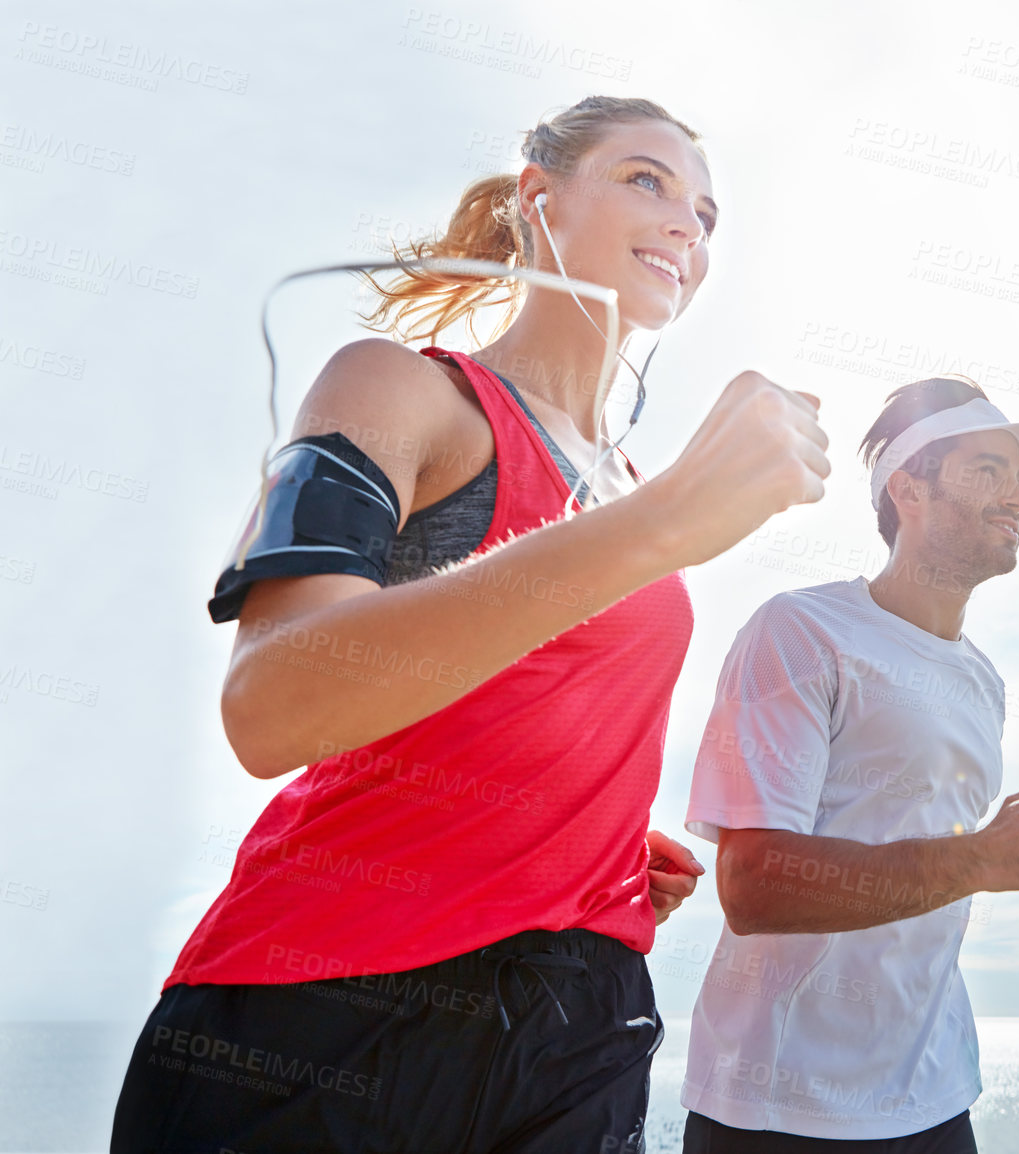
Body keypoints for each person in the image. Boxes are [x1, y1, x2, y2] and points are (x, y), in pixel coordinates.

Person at [110, 95, 830, 1154]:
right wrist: (661, 522)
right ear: (539, 197)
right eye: (647, 179)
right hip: (321, 1020)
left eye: (708, 212)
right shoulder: (398, 390)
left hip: (580, 1023)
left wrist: (578, 841)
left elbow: (500, 707)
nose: (688, 223)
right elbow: (270, 703)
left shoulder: (627, 484)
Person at [678, 376, 1019, 1153]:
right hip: (780, 1107)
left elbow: (944, 871)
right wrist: (981, 858)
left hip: (934, 1096)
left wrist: (983, 859)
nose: (1018, 497)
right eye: (986, 469)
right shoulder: (799, 632)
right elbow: (753, 886)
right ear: (909, 489)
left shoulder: (984, 681)